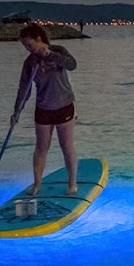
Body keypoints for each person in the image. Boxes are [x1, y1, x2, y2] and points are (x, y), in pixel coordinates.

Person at [12, 23, 79, 196]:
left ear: (38, 39)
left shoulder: (59, 50)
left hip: (64, 105)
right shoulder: (30, 62)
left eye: (29, 45)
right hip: (43, 108)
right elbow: (23, 89)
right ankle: (37, 184)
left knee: (66, 146)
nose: (28, 49)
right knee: (41, 148)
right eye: (25, 46)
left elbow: (72, 65)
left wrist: (52, 55)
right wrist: (16, 112)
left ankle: (72, 183)